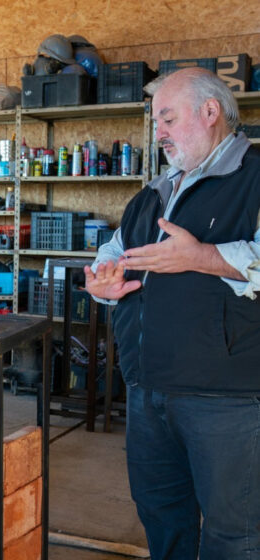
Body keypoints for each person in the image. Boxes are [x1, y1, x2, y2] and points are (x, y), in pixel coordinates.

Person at [85, 67, 260, 559]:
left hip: (228, 400)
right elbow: (112, 252)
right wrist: (103, 281)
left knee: (236, 534)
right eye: (155, 120)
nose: (157, 131)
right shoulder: (154, 193)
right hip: (147, 391)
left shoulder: (256, 179)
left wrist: (202, 257)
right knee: (162, 518)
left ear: (210, 113)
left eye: (167, 118)